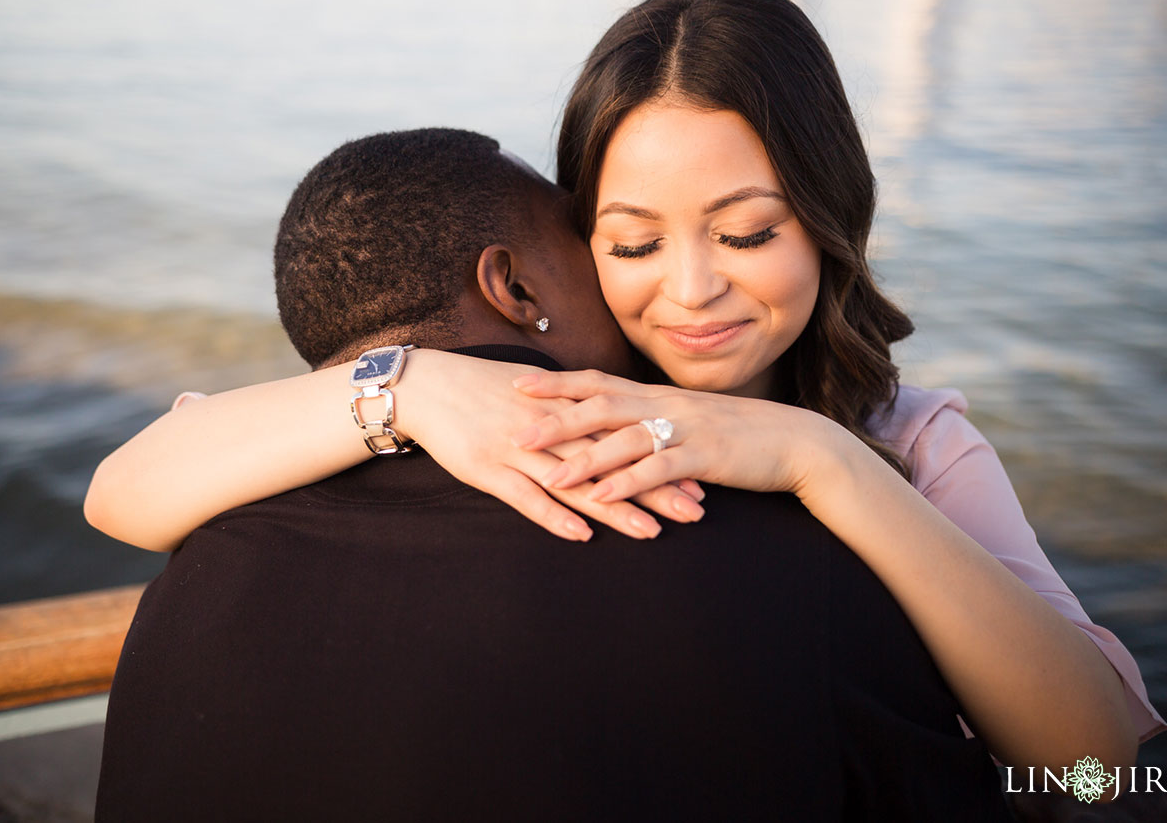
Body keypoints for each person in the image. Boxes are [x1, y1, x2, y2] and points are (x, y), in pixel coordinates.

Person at [87, 0, 1161, 778]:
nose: (692, 291)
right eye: (632, 244)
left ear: (827, 219)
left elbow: (1094, 762)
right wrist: (406, 385)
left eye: (745, 231)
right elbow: (126, 493)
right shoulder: (527, 408)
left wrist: (817, 456)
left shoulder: (909, 440)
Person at [96, 128, 1012, 820]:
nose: (679, 292)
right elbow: (1073, 779)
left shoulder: (196, 565)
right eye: (613, 242)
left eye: (741, 230)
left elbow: (119, 490)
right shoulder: (771, 549)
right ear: (516, 289)